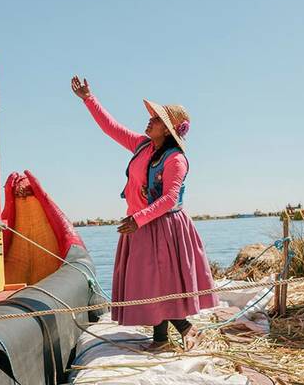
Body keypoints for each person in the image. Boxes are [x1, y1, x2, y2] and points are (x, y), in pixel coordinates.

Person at [70, 75, 218, 351]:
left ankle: (182, 331)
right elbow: (110, 127)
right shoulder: (142, 145)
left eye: (156, 119)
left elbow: (170, 198)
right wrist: (89, 99)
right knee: (151, 283)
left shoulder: (176, 160)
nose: (149, 120)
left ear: (169, 130)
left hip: (165, 227)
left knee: (160, 284)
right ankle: (162, 338)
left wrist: (137, 219)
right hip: (141, 226)